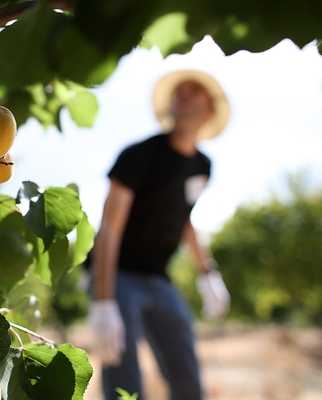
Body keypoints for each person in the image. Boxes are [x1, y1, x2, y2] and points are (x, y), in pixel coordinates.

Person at [89, 70, 231, 400]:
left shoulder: (202, 166)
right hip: (119, 277)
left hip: (159, 278)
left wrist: (207, 274)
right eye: (180, 90)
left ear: (208, 110)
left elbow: (185, 221)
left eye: (194, 91)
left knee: (186, 374)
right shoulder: (138, 156)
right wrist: (104, 301)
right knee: (125, 378)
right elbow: (109, 228)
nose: (184, 93)